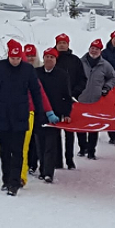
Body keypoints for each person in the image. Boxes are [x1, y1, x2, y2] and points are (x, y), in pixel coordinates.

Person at [0, 39, 44, 196]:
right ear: (8, 56)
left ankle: (14, 183)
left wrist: (40, 113)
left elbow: (36, 92)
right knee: (4, 150)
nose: (15, 61)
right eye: (12, 58)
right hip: (2, 114)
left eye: (17, 58)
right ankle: (6, 179)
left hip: (20, 115)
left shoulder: (28, 70)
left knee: (17, 150)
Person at [34, 48, 72, 183]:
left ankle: (48, 172)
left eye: (52, 57)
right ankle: (42, 167)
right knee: (40, 143)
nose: (49, 59)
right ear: (43, 59)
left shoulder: (62, 75)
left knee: (51, 144)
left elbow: (67, 96)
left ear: (56, 60)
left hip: (55, 114)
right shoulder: (36, 73)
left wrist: (66, 113)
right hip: (38, 113)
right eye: (47, 57)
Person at [77, 39, 115, 160]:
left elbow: (114, 77)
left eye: (96, 49)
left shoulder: (105, 65)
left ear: (100, 51)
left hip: (96, 100)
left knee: (93, 127)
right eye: (92, 48)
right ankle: (82, 147)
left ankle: (91, 151)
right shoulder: (81, 62)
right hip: (81, 98)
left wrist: (107, 87)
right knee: (80, 126)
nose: (94, 50)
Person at [22, 44, 55, 183]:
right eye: (27, 56)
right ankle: (26, 166)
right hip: (18, 111)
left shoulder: (37, 71)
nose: (30, 59)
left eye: (32, 56)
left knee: (35, 141)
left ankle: (30, 167)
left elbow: (41, 93)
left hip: (35, 111)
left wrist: (49, 111)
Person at [54, 33, 87, 170]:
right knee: (55, 131)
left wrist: (75, 93)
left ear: (68, 44)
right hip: (54, 100)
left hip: (71, 99)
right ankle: (57, 160)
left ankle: (69, 159)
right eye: (59, 42)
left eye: (64, 42)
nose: (62, 45)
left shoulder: (75, 60)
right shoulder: (51, 58)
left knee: (69, 131)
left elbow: (83, 79)